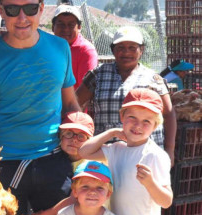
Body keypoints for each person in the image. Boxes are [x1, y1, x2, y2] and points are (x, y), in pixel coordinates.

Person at [0, 0, 81, 215]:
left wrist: (82, 143)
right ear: (1, 10)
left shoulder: (60, 48)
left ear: (41, 8)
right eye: (12, 9)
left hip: (54, 160)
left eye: (29, 8)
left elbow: (70, 106)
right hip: (7, 166)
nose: (22, 18)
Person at [79, 88, 173, 215]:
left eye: (146, 121)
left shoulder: (155, 155)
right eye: (132, 117)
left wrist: (150, 183)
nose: (138, 125)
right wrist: (111, 132)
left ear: (155, 125)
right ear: (122, 116)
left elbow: (166, 201)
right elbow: (83, 151)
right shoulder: (116, 149)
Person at [76, 26, 177, 166]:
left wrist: (170, 150)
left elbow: (169, 114)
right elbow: (76, 104)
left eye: (132, 47)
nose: (126, 52)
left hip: (144, 155)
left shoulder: (153, 78)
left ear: (141, 50)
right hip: (106, 153)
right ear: (113, 50)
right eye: (120, 47)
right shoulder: (98, 74)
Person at [50, 161, 130, 215]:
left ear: (108, 194)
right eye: (85, 187)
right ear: (75, 191)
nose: (92, 192)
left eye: (99, 188)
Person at [34, 111, 94, 215]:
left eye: (81, 136)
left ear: (90, 140)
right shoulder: (52, 159)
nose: (74, 139)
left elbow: (75, 198)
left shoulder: (89, 165)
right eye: (68, 133)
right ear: (60, 136)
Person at [52, 4, 98, 89]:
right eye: (61, 24)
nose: (66, 29)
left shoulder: (86, 51)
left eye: (71, 25)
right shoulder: (46, 47)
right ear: (52, 26)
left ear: (79, 27)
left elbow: (85, 93)